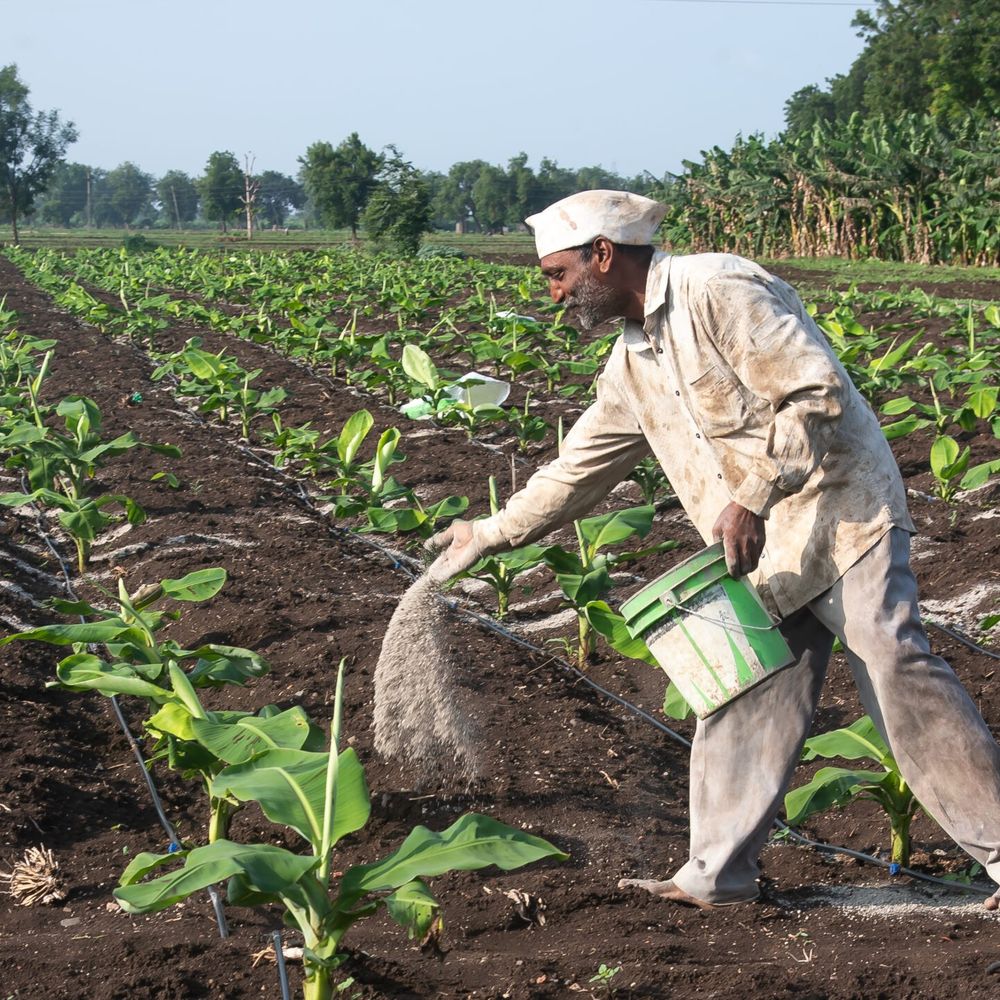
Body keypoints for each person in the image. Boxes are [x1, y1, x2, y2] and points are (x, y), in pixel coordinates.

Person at [427, 189, 1000, 912]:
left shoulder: (717, 287)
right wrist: (488, 533)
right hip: (757, 543)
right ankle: (716, 875)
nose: (554, 294)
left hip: (840, 511)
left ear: (603, 254)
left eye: (558, 274)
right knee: (741, 687)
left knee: (893, 661)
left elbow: (815, 393)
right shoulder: (631, 363)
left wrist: (753, 497)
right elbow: (576, 471)